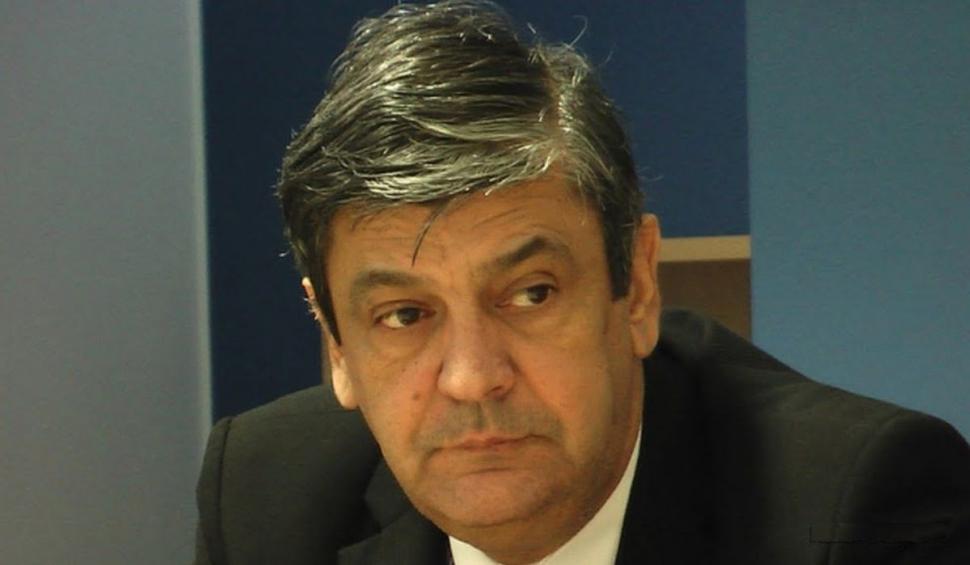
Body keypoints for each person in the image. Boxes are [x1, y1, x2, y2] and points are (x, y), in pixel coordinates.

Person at [193, 2, 970, 564]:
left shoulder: (856, 506)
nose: (472, 378)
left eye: (530, 293)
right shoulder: (266, 497)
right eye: (404, 314)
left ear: (637, 286)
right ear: (335, 343)